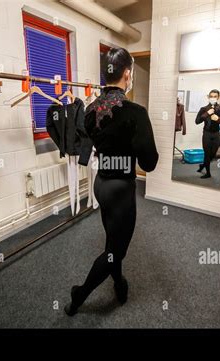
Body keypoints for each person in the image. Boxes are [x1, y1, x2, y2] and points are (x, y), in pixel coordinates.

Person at [64, 48, 159, 316]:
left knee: (112, 241)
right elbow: (149, 163)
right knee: (115, 252)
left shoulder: (90, 109)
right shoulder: (135, 112)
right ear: (127, 74)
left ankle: (119, 283)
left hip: (101, 184)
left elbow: (91, 145)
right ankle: (79, 295)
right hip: (121, 189)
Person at [195, 89, 220, 179]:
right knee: (207, 153)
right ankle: (208, 173)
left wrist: (218, 119)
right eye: (211, 96)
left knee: (213, 154)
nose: (213, 98)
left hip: (216, 134)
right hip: (206, 134)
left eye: (215, 96)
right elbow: (197, 121)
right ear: (208, 97)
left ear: (218, 97)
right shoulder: (203, 109)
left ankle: (203, 165)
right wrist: (207, 113)